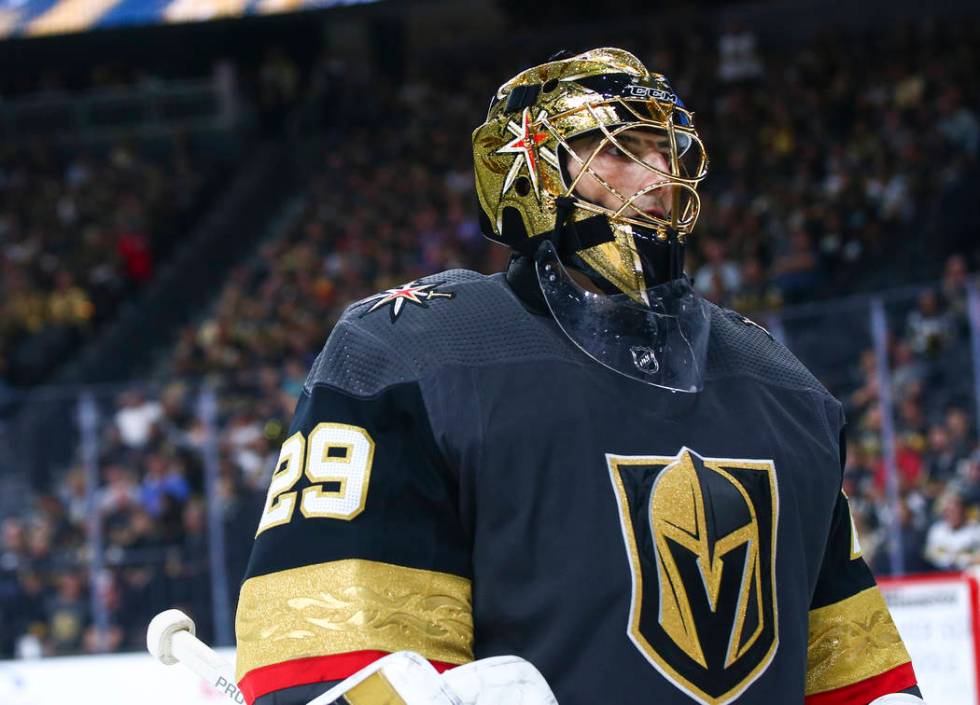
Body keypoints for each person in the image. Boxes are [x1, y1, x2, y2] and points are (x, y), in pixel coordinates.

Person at [234, 49, 922, 705]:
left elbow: (853, 674)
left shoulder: (785, 387)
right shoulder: (414, 352)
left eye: (665, 148)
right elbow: (324, 659)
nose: (656, 174)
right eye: (619, 150)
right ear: (526, 172)